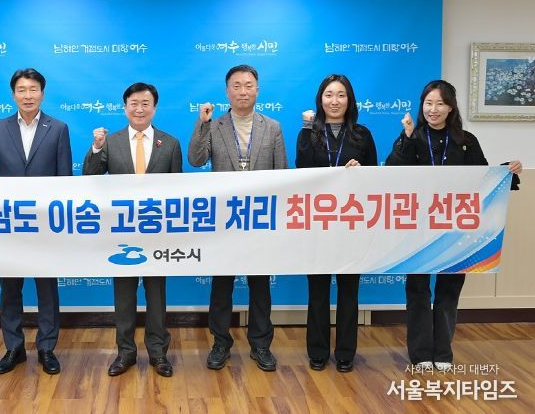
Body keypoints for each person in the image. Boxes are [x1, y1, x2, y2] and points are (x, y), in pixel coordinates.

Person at [385, 79, 522, 373]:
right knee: (418, 291)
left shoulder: (466, 140)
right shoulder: (413, 137)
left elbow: (484, 176)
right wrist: (406, 137)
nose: (433, 109)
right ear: (421, 106)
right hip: (418, 229)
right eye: (428, 103)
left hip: (455, 230)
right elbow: (391, 172)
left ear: (450, 107)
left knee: (449, 291)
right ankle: (420, 353)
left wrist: (507, 171)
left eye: (440, 104)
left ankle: (443, 353)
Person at [0, 68, 72, 376]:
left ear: (42, 93)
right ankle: (13, 347)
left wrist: (61, 223)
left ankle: (47, 348)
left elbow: (65, 179)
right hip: (9, 222)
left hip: (46, 223)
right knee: (10, 288)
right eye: (22, 90)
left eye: (33, 89)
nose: (28, 95)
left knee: (47, 289)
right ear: (13, 94)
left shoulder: (58, 128)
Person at [188, 64, 288, 371]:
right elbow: (196, 159)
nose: (243, 91)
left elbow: (282, 174)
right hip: (225, 220)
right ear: (227, 91)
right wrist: (202, 123)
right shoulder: (215, 125)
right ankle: (220, 343)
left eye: (248, 85)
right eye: (236, 86)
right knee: (221, 287)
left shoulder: (272, 127)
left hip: (260, 219)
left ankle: (261, 345)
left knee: (260, 287)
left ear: (257, 90)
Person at [83, 82, 182, 378]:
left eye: (145, 103)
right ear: (125, 107)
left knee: (157, 296)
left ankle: (158, 353)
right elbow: (89, 177)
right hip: (122, 232)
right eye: (134, 104)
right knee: (124, 297)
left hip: (157, 232)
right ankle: (125, 353)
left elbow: (179, 191)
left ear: (154, 108)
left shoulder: (170, 143)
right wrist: (96, 148)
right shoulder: (110, 142)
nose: (139, 109)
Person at [295, 74, 377, 373]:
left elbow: (375, 178)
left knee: (348, 292)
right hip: (317, 225)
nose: (334, 101)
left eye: (341, 95)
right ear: (320, 99)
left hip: (351, 224)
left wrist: (360, 170)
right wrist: (307, 129)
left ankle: (345, 353)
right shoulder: (309, 132)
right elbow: (302, 170)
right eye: (329, 95)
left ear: (349, 100)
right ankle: (317, 351)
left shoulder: (362, 135)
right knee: (317, 291)